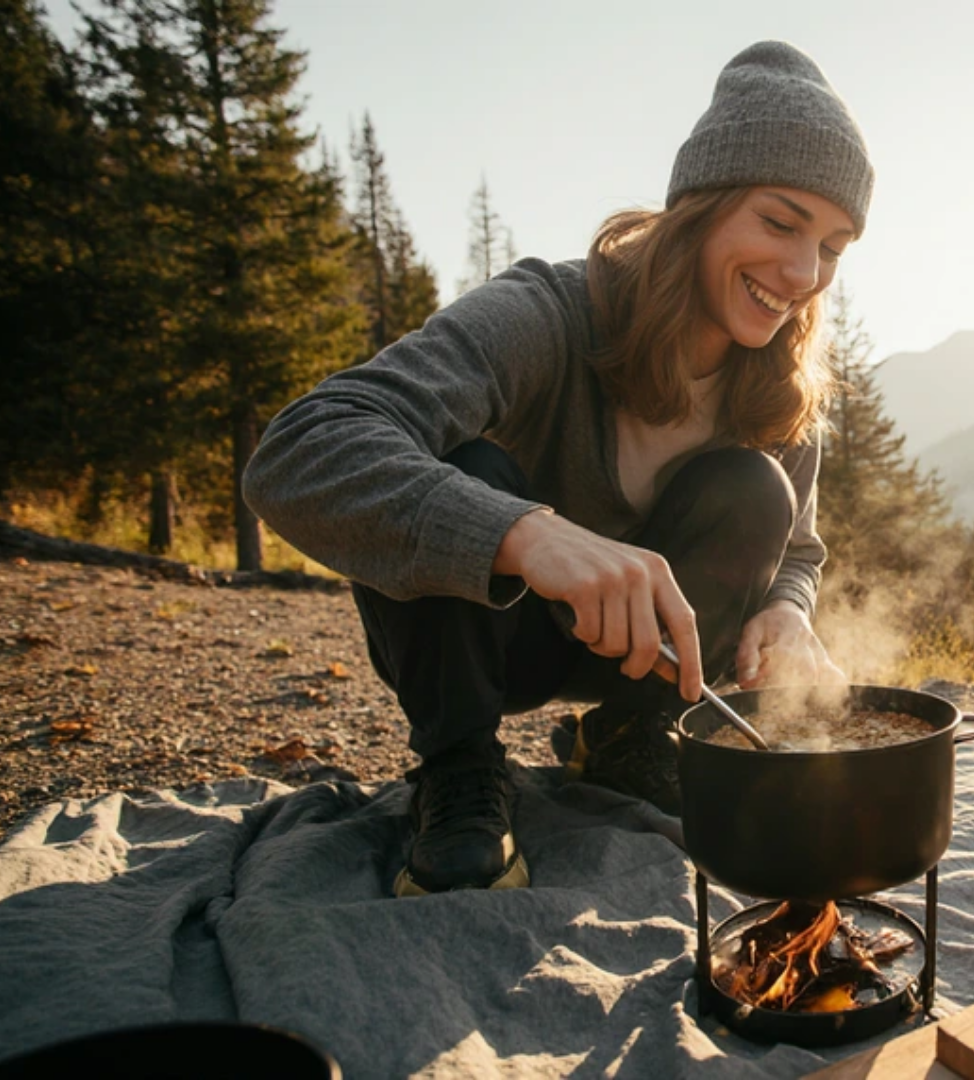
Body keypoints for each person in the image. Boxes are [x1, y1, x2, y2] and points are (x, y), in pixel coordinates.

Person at [242, 40, 868, 897]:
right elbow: (300, 449)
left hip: (651, 662)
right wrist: (524, 533)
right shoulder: (546, 314)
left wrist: (791, 613)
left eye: (833, 246)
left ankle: (628, 737)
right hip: (495, 644)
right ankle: (460, 766)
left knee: (757, 486)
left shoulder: (778, 383)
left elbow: (795, 547)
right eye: (780, 221)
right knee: (463, 463)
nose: (803, 275)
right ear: (701, 206)